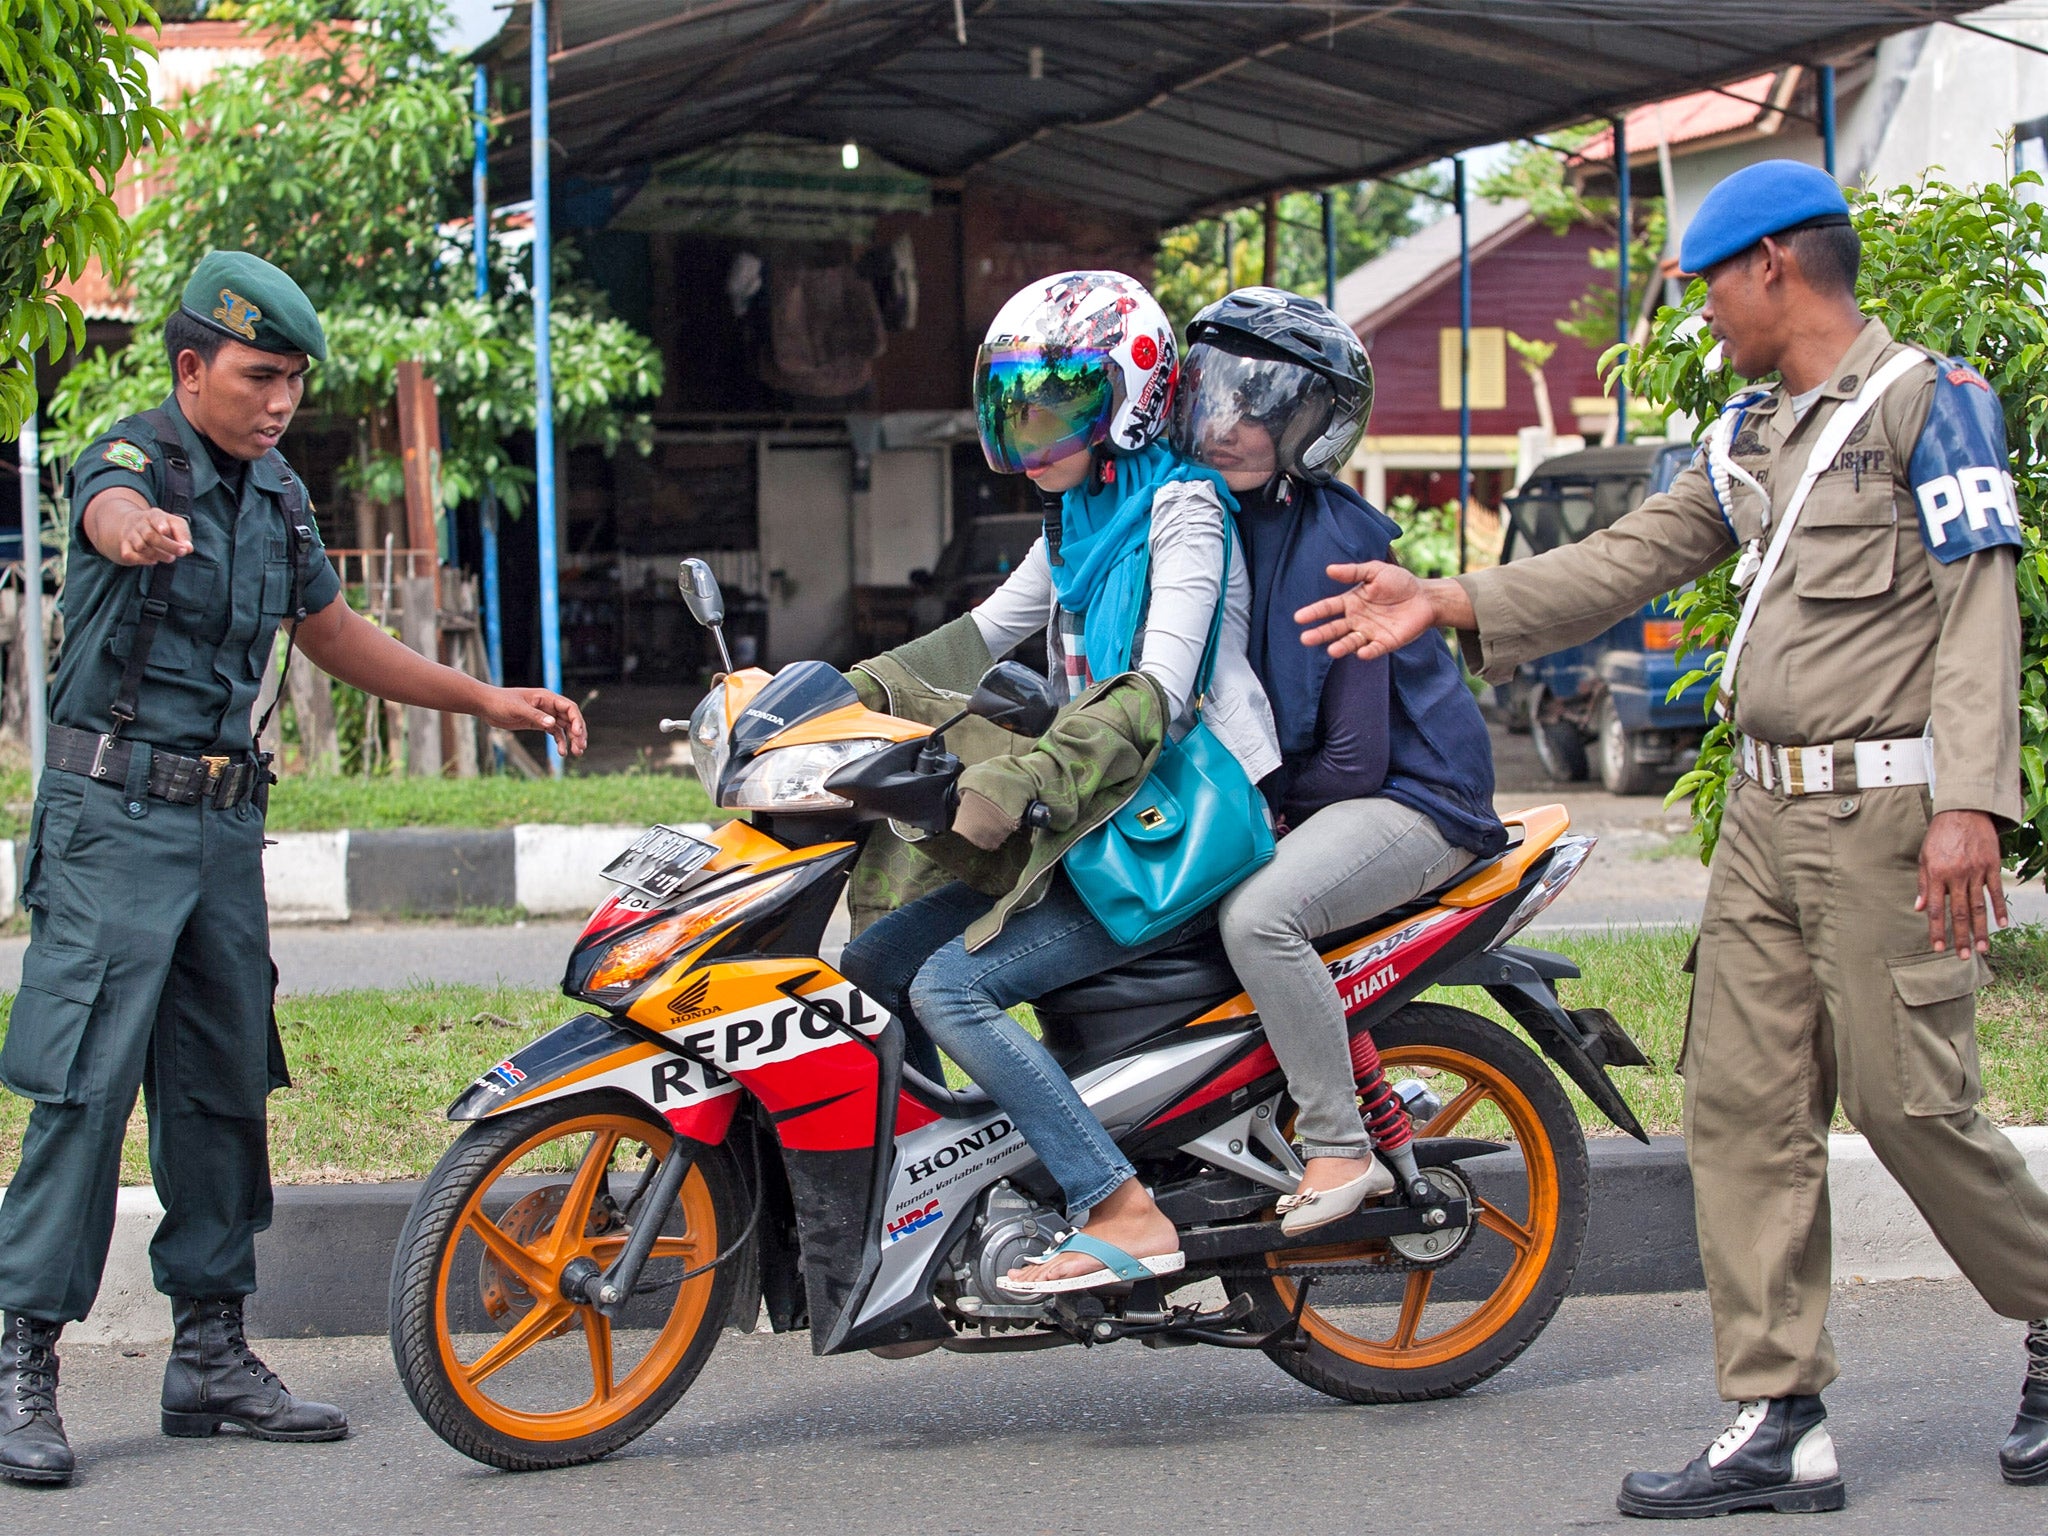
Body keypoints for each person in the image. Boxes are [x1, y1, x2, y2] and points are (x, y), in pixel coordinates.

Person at [1295, 160, 2048, 1517]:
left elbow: (1977, 599)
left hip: (1888, 815)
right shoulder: (1752, 431)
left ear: (1774, 267)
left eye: (1710, 282)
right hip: (1763, 816)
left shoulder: (1934, 403)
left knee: (1909, 1104)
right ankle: (1780, 1417)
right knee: (1744, 1112)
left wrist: (1968, 804)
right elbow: (1631, 557)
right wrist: (1453, 598)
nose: (1702, 312)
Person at [0, 251, 587, 1485]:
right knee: (86, 1093)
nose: (276, 403)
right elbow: (101, 514)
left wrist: (488, 700)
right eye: (257, 376)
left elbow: (331, 632)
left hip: (219, 827)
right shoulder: (129, 458)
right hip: (112, 819)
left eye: (291, 385)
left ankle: (210, 1358)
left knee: (220, 1091)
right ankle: (22, 1362)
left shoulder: (277, 497)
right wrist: (137, 532)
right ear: (189, 367)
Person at [840, 270, 1281, 1294]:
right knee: (871, 962)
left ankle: (1116, 1207)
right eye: (1014, 406)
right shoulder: (1075, 519)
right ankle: (937, 1189)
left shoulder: (1183, 512)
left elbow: (1159, 694)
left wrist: (1030, 777)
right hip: (1092, 814)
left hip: (1176, 826)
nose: (1029, 431)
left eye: (1055, 406)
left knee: (951, 986)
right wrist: (827, 695)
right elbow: (975, 642)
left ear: (1129, 401)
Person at [1170, 288, 1506, 1233]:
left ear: (1313, 425)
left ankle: (1337, 1142)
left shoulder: (1336, 542)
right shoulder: (1205, 518)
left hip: (1417, 800)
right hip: (1317, 796)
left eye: (1262, 405)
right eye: (1216, 396)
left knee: (1261, 916)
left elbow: (1357, 762)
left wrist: (1252, 807)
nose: (1228, 424)